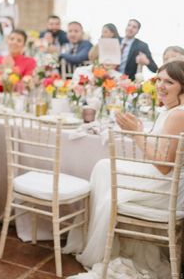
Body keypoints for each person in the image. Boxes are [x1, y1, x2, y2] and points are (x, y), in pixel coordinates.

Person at [64, 60, 184, 278]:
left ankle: (102, 250)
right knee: (103, 168)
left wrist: (136, 133)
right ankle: (100, 243)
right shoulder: (171, 110)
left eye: (169, 82)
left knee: (109, 183)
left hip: (168, 188)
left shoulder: (178, 114)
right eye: (159, 80)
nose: (161, 86)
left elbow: (164, 167)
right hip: (166, 179)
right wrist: (138, 130)